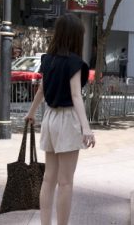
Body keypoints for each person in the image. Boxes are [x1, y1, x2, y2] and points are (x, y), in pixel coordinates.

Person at [25, 14, 96, 225]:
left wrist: (31, 113)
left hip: (50, 118)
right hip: (67, 121)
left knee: (48, 179)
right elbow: (76, 96)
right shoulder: (75, 62)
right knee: (65, 183)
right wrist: (86, 128)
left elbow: (42, 90)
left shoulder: (48, 59)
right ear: (76, 37)